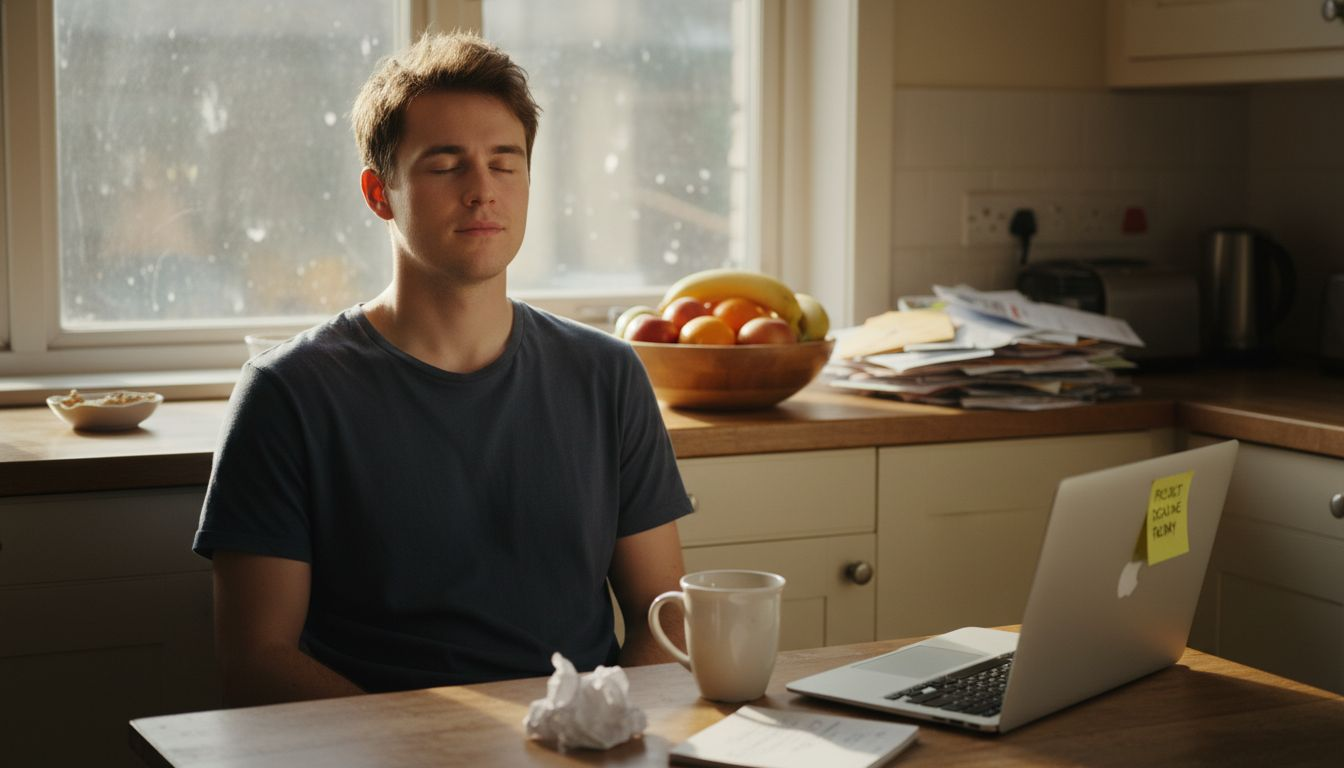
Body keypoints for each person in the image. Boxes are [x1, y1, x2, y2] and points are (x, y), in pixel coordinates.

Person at [194, 31, 692, 707]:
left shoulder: (607, 374)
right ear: (380, 193)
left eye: (504, 163)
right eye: (445, 165)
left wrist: (602, 732)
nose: (482, 190)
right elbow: (257, 661)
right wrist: (436, 749)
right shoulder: (289, 393)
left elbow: (665, 614)